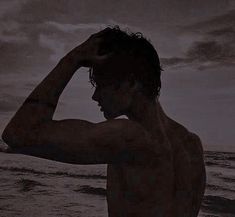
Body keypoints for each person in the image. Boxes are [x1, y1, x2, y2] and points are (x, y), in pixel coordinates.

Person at [2, 27, 206, 217]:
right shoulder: (191, 145)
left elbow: (19, 133)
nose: (95, 96)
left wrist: (71, 59)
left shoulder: (129, 137)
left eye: (101, 85)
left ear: (131, 83)